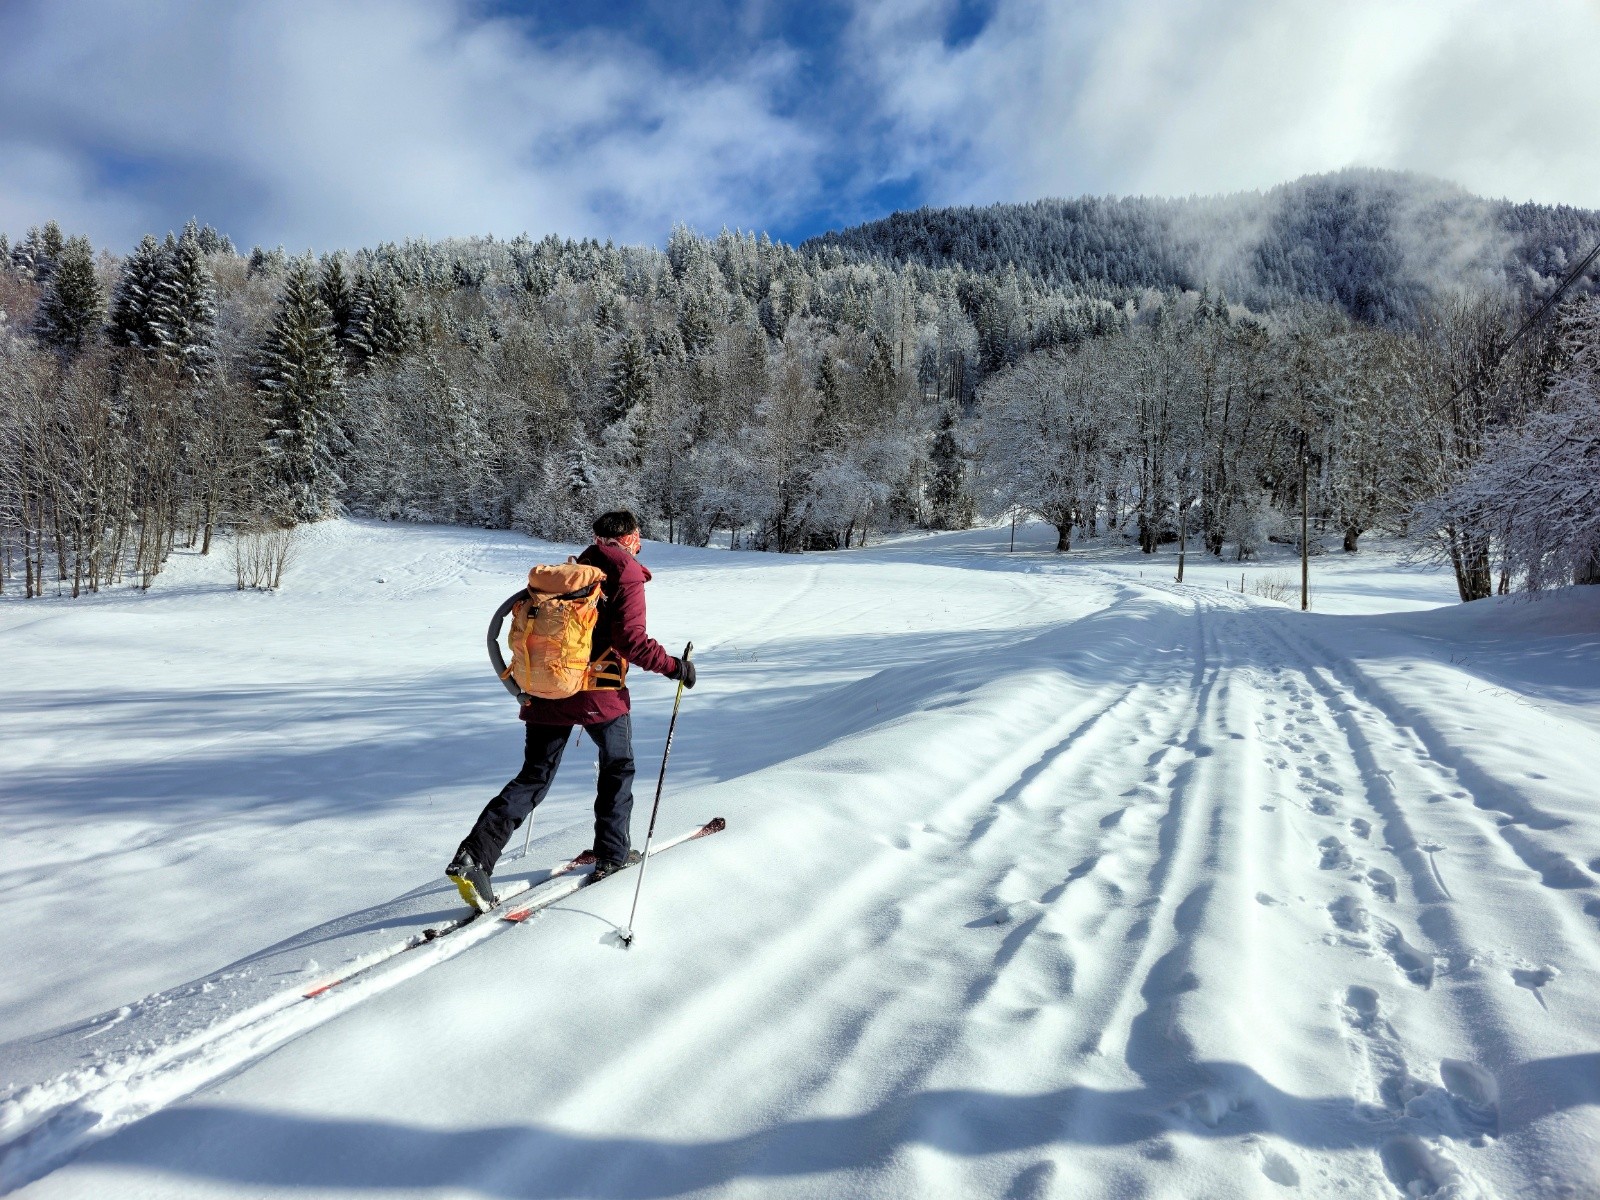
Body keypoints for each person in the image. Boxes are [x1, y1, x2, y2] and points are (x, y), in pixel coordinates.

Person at [446, 510, 696, 912]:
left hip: (546, 690)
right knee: (617, 768)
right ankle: (613, 855)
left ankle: (474, 858)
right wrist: (674, 667)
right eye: (638, 536)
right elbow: (630, 640)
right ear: (633, 537)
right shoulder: (625, 573)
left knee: (533, 777)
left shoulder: (571, 571)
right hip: (599, 693)